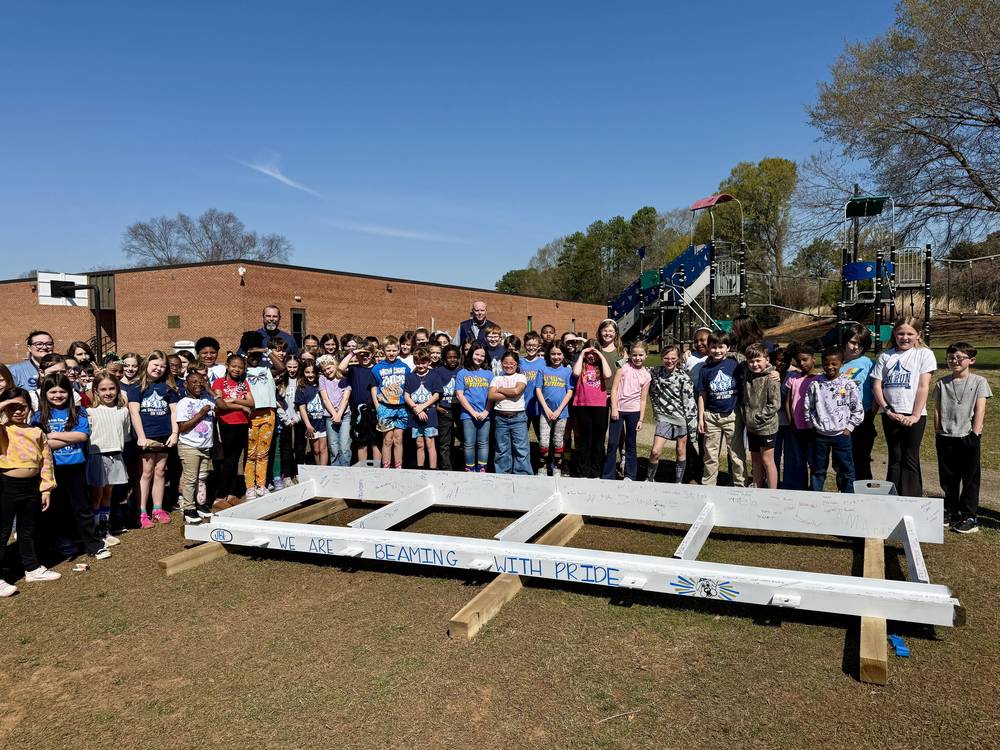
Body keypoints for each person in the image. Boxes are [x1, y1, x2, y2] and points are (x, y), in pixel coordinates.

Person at [35, 373, 110, 560]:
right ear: (45, 393)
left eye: (62, 391)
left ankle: (94, 545)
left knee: (81, 508)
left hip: (75, 466)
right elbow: (39, 444)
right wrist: (65, 437)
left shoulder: (77, 412)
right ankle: (62, 542)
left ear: (69, 393)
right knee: (57, 508)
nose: (58, 395)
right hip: (51, 469)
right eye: (53, 391)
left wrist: (51, 436)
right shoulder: (39, 416)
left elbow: (82, 436)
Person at [0, 387, 59, 594]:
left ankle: (32, 568)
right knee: (3, 531)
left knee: (27, 529)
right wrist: (3, 406)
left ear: (30, 407)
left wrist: (46, 489)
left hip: (32, 486)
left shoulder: (36, 431)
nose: (17, 411)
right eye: (12, 407)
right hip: (6, 486)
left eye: (21, 407)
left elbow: (46, 461)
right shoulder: (3, 429)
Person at [870, 318, 936, 498]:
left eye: (909, 334)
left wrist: (914, 416)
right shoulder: (886, 356)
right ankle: (892, 499)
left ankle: (912, 499)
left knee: (910, 458)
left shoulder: (924, 354)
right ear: (894, 335)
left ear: (918, 335)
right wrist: (887, 409)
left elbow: (923, 386)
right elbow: (877, 386)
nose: (904, 337)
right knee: (895, 457)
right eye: (900, 333)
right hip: (890, 414)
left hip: (914, 415)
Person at [935, 342, 991, 533]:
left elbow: (980, 408)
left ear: (971, 360)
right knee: (948, 476)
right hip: (945, 435)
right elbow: (936, 409)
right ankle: (951, 510)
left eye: (959, 357)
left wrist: (975, 433)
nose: (954, 361)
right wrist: (938, 430)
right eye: (951, 357)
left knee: (970, 477)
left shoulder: (979, 382)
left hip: (967, 435)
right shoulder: (942, 383)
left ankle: (969, 516)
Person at [127, 351, 180, 527]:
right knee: (146, 473)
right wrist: (141, 437)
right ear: (147, 365)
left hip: (165, 435)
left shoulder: (168, 388)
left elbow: (174, 412)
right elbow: (134, 413)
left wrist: (174, 433)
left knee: (160, 471)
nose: (159, 369)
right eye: (155, 365)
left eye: (162, 366)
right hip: (146, 437)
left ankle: (157, 508)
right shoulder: (136, 387)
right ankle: (141, 510)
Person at [805, 347, 864, 493]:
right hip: (820, 435)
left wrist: (849, 427)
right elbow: (808, 406)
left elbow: (857, 408)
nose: (830, 367)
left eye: (834, 363)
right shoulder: (815, 384)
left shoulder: (848, 384)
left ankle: (847, 496)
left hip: (841, 436)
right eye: (826, 364)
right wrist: (811, 424)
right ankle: (815, 495)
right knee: (818, 468)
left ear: (841, 363)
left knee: (845, 468)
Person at [86, 372, 132, 544]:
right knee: (96, 494)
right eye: (103, 389)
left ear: (117, 389)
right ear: (96, 391)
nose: (108, 393)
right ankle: (95, 529)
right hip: (97, 456)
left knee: (108, 494)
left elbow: (125, 434)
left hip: (116, 455)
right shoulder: (90, 412)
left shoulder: (123, 411)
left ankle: (105, 528)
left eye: (112, 388)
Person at [697, 332, 745, 486]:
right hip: (711, 417)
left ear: (728, 348)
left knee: (736, 454)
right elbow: (702, 394)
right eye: (713, 347)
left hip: (731, 416)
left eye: (721, 347)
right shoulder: (705, 369)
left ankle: (740, 485)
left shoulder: (735, 364)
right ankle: (709, 486)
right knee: (710, 455)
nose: (717, 350)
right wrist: (701, 418)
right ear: (708, 347)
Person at [647, 345, 696, 483]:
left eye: (673, 358)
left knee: (681, 450)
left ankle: (678, 482)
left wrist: (692, 428)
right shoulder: (656, 371)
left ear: (678, 359)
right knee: (655, 451)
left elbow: (689, 404)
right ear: (662, 358)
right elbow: (636, 366)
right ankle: (649, 480)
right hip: (664, 417)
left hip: (681, 418)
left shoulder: (683, 378)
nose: (669, 361)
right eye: (666, 358)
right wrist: (621, 362)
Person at [602, 341, 650, 481]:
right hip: (619, 410)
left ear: (646, 355)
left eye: (641, 355)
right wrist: (615, 409)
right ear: (629, 354)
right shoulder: (623, 368)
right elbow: (614, 389)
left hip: (634, 412)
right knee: (612, 443)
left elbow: (643, 399)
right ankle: (608, 474)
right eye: (634, 355)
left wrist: (641, 419)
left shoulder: (646, 376)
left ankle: (630, 475)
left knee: (631, 443)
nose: (637, 358)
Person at [211, 353, 254, 509]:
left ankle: (231, 494)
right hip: (226, 423)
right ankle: (219, 496)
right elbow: (221, 404)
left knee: (236, 460)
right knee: (228, 460)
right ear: (227, 366)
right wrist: (241, 406)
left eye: (240, 367)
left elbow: (252, 402)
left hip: (242, 423)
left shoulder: (243, 384)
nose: (237, 369)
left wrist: (235, 400)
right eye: (234, 366)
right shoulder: (219, 382)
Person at [240, 332, 278, 498]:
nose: (254, 357)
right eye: (251, 354)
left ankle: (261, 484)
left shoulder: (266, 367)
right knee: (250, 453)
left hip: (268, 413)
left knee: (263, 453)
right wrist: (245, 354)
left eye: (257, 355)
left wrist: (265, 351)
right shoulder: (242, 369)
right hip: (251, 414)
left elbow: (282, 367)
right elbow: (235, 369)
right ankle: (250, 487)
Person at [175, 370, 216, 524]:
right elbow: (182, 427)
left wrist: (210, 390)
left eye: (201, 381)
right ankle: (188, 508)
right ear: (186, 384)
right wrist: (200, 414)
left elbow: (222, 405)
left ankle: (200, 505)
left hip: (205, 446)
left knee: (202, 478)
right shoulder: (183, 403)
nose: (198, 384)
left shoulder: (207, 398)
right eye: (194, 382)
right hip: (189, 446)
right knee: (191, 478)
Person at [740, 343, 781, 489]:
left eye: (758, 360)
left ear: (767, 360)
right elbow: (734, 355)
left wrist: (758, 418)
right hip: (751, 427)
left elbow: (774, 405)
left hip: (766, 427)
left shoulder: (771, 378)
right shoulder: (747, 372)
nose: (754, 364)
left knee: (767, 460)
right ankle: (757, 487)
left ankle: (772, 491)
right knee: (755, 459)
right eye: (751, 361)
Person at [840, 324, 877, 481]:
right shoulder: (836, 362)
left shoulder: (869, 363)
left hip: (863, 420)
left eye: (860, 344)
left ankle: (864, 497)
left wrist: (870, 415)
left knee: (861, 461)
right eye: (853, 342)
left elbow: (877, 391)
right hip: (840, 420)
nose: (856, 347)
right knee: (842, 462)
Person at [571, 340, 612, 478]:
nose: (591, 356)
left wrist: (600, 355)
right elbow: (576, 373)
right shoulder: (581, 365)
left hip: (600, 406)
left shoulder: (600, 366)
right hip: (582, 406)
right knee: (585, 440)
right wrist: (582, 353)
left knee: (598, 440)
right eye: (588, 353)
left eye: (594, 353)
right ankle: (584, 470)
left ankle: (596, 471)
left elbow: (607, 375)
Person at [784, 343, 820, 490]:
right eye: (799, 361)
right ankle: (800, 489)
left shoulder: (820, 379)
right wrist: (791, 422)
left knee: (814, 461)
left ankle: (816, 490)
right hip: (796, 428)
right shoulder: (793, 379)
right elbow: (787, 402)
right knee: (799, 461)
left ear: (813, 359)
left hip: (814, 430)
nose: (802, 363)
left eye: (805, 359)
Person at [371, 336, 411, 469]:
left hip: (401, 408)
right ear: (384, 350)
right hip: (385, 408)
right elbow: (374, 387)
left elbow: (409, 387)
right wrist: (378, 407)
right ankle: (386, 467)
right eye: (388, 350)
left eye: (394, 350)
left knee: (398, 439)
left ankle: (398, 467)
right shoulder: (377, 368)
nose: (391, 353)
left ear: (399, 350)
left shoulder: (405, 367)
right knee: (387, 440)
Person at [489, 351, 531, 475]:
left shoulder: (520, 377)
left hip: (518, 418)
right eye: (506, 363)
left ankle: (522, 474)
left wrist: (500, 390)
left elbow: (517, 391)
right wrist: (510, 394)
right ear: (502, 364)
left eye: (512, 363)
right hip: (500, 418)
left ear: (516, 364)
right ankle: (503, 474)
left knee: (521, 449)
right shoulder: (497, 378)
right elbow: (491, 395)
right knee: (502, 449)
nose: (509, 366)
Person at [535, 344, 573, 477]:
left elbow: (569, 392)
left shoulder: (567, 371)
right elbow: (538, 389)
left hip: (561, 413)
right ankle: (542, 466)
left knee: (558, 441)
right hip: (545, 413)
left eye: (559, 354)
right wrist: (546, 408)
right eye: (553, 354)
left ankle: (557, 466)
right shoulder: (543, 369)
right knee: (544, 441)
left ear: (563, 355)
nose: (556, 357)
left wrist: (558, 410)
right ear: (548, 355)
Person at [455, 343, 493, 472]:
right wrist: (472, 412)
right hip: (468, 415)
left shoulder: (489, 374)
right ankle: (469, 468)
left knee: (483, 443)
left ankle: (482, 468)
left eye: (482, 355)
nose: (479, 357)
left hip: (485, 414)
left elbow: (491, 396)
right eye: (477, 354)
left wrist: (486, 412)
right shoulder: (462, 373)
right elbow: (460, 395)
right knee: (469, 443)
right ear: (470, 354)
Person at [404, 349, 441, 469]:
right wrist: (416, 409)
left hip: (430, 414)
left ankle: (433, 469)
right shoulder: (410, 377)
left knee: (430, 443)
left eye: (423, 363)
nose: (421, 366)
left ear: (429, 362)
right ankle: (420, 469)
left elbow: (436, 395)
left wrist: (422, 407)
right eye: (418, 363)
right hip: (415, 416)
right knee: (419, 443)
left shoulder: (434, 376)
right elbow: (406, 395)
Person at [317, 354, 352, 467]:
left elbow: (345, 398)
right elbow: (325, 399)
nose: (327, 371)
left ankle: (345, 471)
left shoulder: (345, 378)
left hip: (345, 415)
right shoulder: (322, 379)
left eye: (329, 368)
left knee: (344, 446)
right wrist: (334, 414)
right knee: (333, 446)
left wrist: (339, 414)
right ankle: (335, 472)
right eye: (324, 370)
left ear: (335, 365)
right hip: (330, 416)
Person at [276, 355, 306, 484]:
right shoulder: (280, 382)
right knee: (286, 448)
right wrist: (286, 419)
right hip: (285, 419)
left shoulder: (302, 381)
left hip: (300, 418)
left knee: (300, 447)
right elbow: (278, 403)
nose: (292, 370)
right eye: (289, 367)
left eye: (295, 367)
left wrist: (297, 418)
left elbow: (305, 402)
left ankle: (299, 472)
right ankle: (287, 475)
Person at [296, 361, 328, 466]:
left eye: (313, 372)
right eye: (307, 372)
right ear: (303, 372)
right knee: (316, 449)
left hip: (323, 421)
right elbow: (302, 408)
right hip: (311, 423)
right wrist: (308, 425)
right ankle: (318, 471)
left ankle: (324, 472)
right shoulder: (301, 388)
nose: (310, 375)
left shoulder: (322, 384)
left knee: (323, 448)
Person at [435, 345, 462, 471]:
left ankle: (460, 465)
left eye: (455, 357)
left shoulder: (462, 371)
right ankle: (446, 468)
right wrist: (436, 406)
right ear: (445, 358)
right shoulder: (438, 371)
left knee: (464, 439)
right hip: (444, 410)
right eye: (449, 357)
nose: (452, 360)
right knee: (445, 441)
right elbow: (432, 390)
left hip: (460, 409)